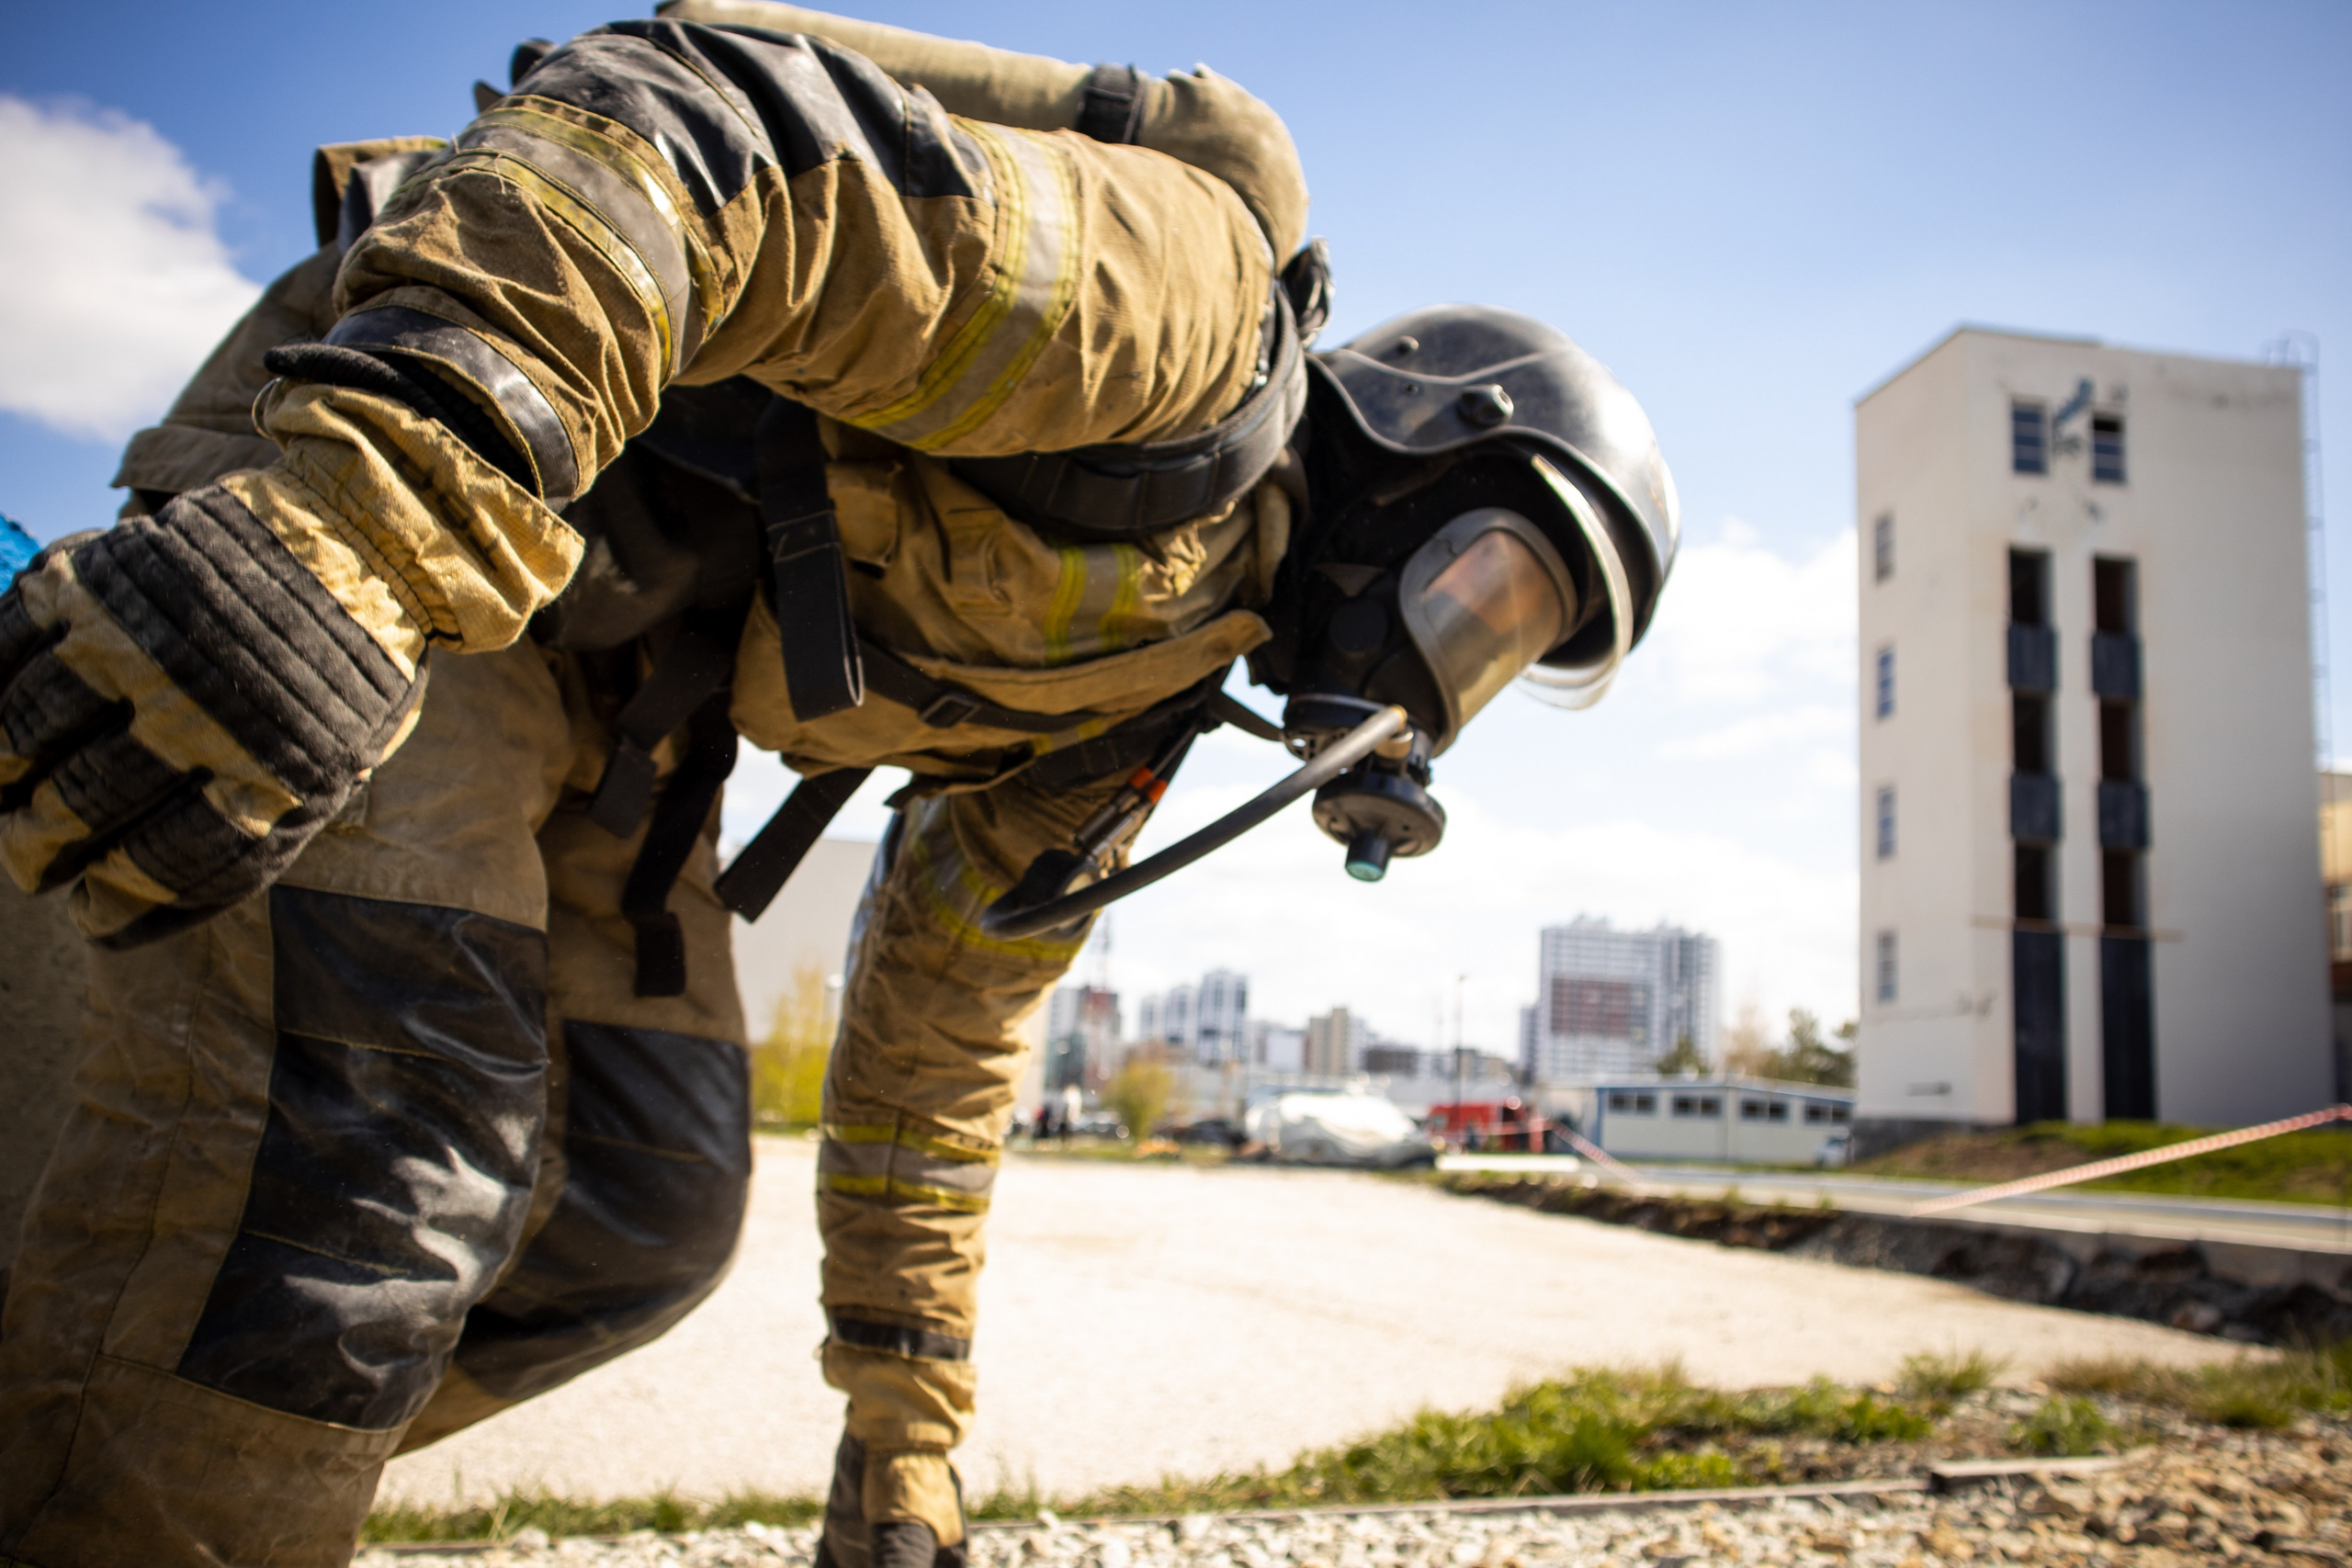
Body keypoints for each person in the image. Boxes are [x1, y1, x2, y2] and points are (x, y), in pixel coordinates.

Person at [0, 7, 1679, 1567]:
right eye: (1496, 590)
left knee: (633, 1215)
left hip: (618, 699)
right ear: (1408, 451)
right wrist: (350, 528)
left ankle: (102, 1433)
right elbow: (703, 142)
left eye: (1514, 653)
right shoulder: (1182, 325)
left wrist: (905, 1444)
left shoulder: (1125, 721)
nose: (1454, 671)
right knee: (364, 1168)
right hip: (413, 481)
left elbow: (936, 1067)